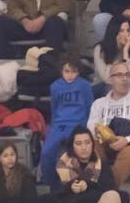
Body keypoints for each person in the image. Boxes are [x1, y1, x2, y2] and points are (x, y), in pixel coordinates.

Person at [40, 56, 94, 186]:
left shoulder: (84, 86)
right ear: (61, 71)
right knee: (47, 152)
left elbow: (89, 107)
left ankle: (79, 183)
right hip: (59, 125)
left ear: (79, 72)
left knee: (73, 154)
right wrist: (53, 127)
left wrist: (86, 128)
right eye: (67, 71)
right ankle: (48, 184)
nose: (70, 75)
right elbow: (54, 107)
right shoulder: (55, 86)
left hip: (78, 124)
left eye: (74, 71)